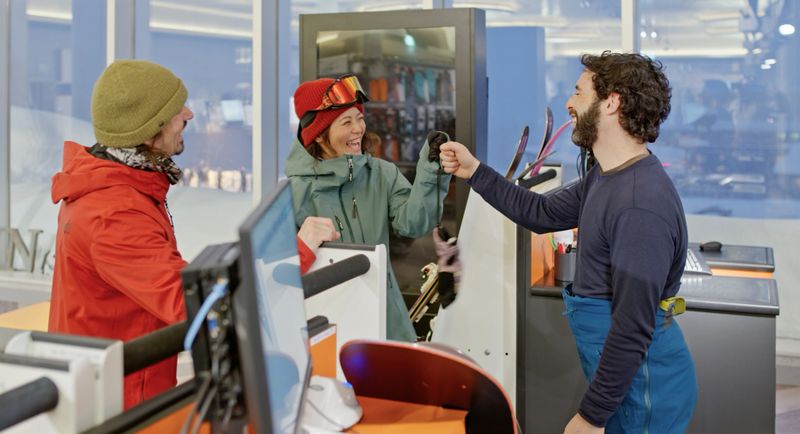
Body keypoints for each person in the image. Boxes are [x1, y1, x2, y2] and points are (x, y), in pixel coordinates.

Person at [49, 60, 336, 409]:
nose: (188, 114)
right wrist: (298, 251)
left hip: (127, 391)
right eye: (175, 110)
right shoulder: (113, 216)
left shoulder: (124, 187)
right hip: (119, 408)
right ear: (149, 129)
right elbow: (197, 308)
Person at [440, 51, 697, 433]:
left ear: (611, 103)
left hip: (646, 389)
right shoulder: (607, 176)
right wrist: (475, 171)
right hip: (628, 380)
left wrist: (591, 417)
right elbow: (541, 214)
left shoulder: (640, 204)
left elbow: (631, 328)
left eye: (578, 92)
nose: (568, 103)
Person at [286, 74, 450, 342]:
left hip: (386, 317)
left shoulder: (381, 174)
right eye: (346, 122)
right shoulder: (293, 194)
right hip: (328, 323)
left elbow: (415, 223)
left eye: (359, 118)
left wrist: (431, 171)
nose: (358, 129)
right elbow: (279, 277)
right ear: (319, 136)